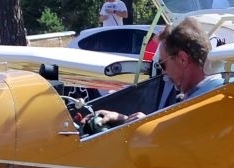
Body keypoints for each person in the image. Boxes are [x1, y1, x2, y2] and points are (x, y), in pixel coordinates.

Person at [85, 18, 224, 130]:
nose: (163, 72)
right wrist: (123, 119)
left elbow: (180, 144)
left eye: (163, 64)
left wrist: (148, 126)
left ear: (183, 59)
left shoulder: (210, 99)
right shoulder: (202, 92)